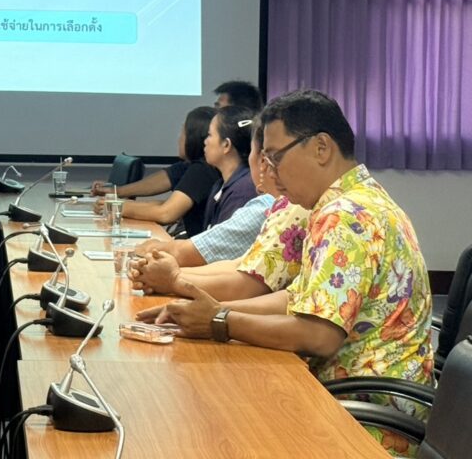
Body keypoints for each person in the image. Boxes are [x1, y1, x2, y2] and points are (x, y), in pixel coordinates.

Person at [138, 90, 433, 456]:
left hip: (365, 423)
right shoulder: (356, 199)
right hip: (349, 398)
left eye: (276, 157)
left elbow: (319, 335)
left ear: (321, 148)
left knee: (204, 428)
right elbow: (300, 299)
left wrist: (220, 321)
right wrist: (212, 310)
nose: (271, 172)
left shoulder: (345, 215)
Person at [130, 118, 275, 270]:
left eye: (210, 135)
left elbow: (214, 253)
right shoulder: (222, 183)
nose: (205, 142)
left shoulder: (244, 190)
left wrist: (166, 262)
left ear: (226, 145)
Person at [90, 80, 262, 198]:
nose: (213, 112)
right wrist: (117, 191)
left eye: (219, 107)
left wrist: (117, 202)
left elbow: (167, 213)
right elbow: (171, 176)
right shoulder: (214, 176)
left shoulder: (242, 185)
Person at [94, 106, 219, 236]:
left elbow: (166, 213)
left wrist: (119, 207)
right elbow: (166, 202)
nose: (179, 137)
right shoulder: (194, 166)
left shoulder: (202, 170)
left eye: (183, 132)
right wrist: (118, 200)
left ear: (194, 138)